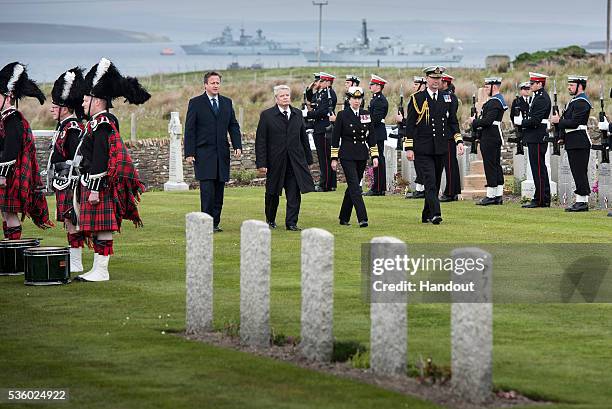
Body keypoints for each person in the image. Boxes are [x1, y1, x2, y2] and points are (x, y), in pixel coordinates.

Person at [75, 57, 148, 282]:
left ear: (97, 101)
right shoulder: (98, 122)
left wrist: (95, 188)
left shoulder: (103, 123)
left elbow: (100, 157)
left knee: (103, 226)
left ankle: (102, 270)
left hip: (100, 184)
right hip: (92, 181)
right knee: (98, 226)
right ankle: (97, 268)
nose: (83, 103)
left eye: (86, 99)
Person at [399, 66, 464, 225]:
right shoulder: (417, 98)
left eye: (438, 79)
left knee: (434, 182)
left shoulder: (447, 98)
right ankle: (436, 213)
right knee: (429, 180)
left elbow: (452, 122)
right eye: (433, 78)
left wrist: (459, 140)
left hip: (440, 147)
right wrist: (409, 147)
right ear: (427, 79)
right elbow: (411, 125)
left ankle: (426, 214)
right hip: (423, 148)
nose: (436, 81)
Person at [0, 62, 53, 239]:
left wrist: (2, 175)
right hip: (7, 175)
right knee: (6, 213)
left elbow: (11, 150)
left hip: (10, 176)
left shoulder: (12, 119)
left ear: (8, 98)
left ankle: (13, 251)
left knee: (10, 212)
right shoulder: (6, 119)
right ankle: (9, 251)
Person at [185, 71, 242, 232]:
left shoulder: (226, 102)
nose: (216, 85)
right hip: (203, 154)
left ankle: (215, 223)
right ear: (205, 85)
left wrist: (237, 145)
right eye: (213, 83)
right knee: (207, 192)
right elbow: (190, 129)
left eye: (218, 83)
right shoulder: (195, 103)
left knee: (219, 192)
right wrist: (189, 152)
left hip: (222, 155)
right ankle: (205, 222)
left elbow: (233, 125)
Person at [255, 85, 315, 231]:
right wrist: (261, 163)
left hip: (295, 162)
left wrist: (308, 160)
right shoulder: (267, 115)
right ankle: (270, 220)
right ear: (276, 98)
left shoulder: (297, 114)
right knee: (272, 193)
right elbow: (261, 141)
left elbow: (303, 139)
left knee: (294, 194)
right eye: (282, 96)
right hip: (275, 162)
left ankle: (291, 223)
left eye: (287, 95)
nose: (285, 98)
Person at [47, 67, 86, 272]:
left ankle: (77, 263)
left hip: (71, 182)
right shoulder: (63, 127)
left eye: (55, 106)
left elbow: (76, 158)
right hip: (62, 182)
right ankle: (74, 260)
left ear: (65, 107)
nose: (52, 109)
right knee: (69, 222)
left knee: (73, 221)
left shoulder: (72, 128)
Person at [331, 86, 379, 227]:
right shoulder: (342, 115)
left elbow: (372, 137)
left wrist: (374, 155)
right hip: (347, 154)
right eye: (354, 98)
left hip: (361, 154)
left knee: (352, 187)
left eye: (359, 98)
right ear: (349, 99)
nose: (357, 101)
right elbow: (335, 138)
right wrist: (334, 158)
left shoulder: (366, 114)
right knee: (355, 186)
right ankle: (362, 218)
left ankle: (343, 217)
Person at [553, 75, 592, 212]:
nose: (569, 87)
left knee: (579, 171)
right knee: (577, 171)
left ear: (580, 86)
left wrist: (559, 121)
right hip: (573, 140)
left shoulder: (581, 102)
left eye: (572, 85)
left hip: (579, 140)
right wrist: (561, 134)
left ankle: (582, 202)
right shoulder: (575, 101)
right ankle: (581, 201)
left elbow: (575, 122)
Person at [514, 72, 551, 208]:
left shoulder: (541, 98)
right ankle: (543, 197)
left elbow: (535, 120)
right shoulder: (538, 96)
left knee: (538, 168)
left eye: (533, 83)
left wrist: (522, 122)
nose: (530, 86)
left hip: (537, 135)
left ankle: (541, 199)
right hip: (535, 135)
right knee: (538, 168)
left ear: (540, 84)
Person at [469, 77, 507, 206]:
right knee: (495, 165)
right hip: (492, 135)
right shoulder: (496, 101)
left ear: (494, 87)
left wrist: (473, 122)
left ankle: (491, 195)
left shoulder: (494, 102)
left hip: (490, 136)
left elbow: (487, 121)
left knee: (490, 165)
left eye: (487, 86)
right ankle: (497, 195)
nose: (485, 89)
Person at [303, 72, 337, 192]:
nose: (319, 83)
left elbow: (322, 111)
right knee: (323, 157)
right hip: (319, 127)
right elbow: (311, 100)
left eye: (322, 81)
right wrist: (310, 88)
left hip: (324, 128)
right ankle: (327, 182)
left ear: (328, 82)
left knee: (325, 158)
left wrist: (307, 114)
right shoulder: (321, 93)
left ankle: (325, 184)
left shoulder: (329, 94)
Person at [363, 74, 389, 196]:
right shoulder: (375, 99)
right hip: (376, 132)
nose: (370, 86)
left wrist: (364, 122)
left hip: (377, 133)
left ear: (378, 86)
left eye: (372, 84)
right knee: (377, 159)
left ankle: (378, 188)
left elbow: (376, 119)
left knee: (378, 159)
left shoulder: (379, 101)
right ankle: (378, 187)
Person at [403, 76, 427, 199]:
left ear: (422, 85)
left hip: (421, 136)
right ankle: (420, 188)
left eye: (416, 83)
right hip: (417, 136)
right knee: (418, 164)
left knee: (421, 164)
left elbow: (412, 122)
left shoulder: (420, 99)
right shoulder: (416, 99)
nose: (414, 86)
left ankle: (421, 189)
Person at [439, 73, 462, 202]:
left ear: (445, 83)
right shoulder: (446, 96)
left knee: (450, 164)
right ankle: (451, 190)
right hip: (445, 134)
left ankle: (451, 191)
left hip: (447, 135)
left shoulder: (448, 97)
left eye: (440, 81)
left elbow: (450, 117)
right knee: (449, 164)